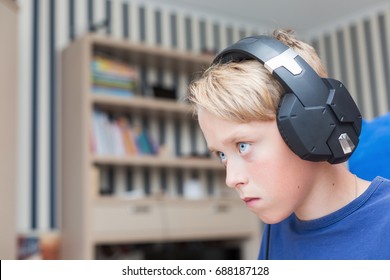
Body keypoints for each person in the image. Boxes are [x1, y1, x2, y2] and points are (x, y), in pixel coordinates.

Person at [187, 29, 390, 259]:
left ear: (312, 124)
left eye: (243, 146)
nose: (231, 179)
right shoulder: (278, 226)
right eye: (222, 155)